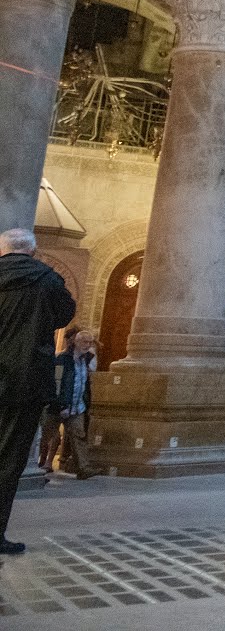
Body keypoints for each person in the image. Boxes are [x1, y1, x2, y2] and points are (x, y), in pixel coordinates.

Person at [0, 228, 76, 554]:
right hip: (25, 380)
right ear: (32, 251)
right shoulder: (48, 280)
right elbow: (65, 315)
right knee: (9, 460)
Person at [49, 327, 97, 479]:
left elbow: (84, 384)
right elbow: (57, 382)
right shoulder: (63, 359)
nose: (87, 345)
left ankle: (83, 468)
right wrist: (60, 404)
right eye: (84, 342)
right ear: (76, 342)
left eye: (90, 342)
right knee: (49, 436)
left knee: (79, 437)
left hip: (77, 406)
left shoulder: (86, 360)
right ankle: (45, 464)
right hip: (60, 405)